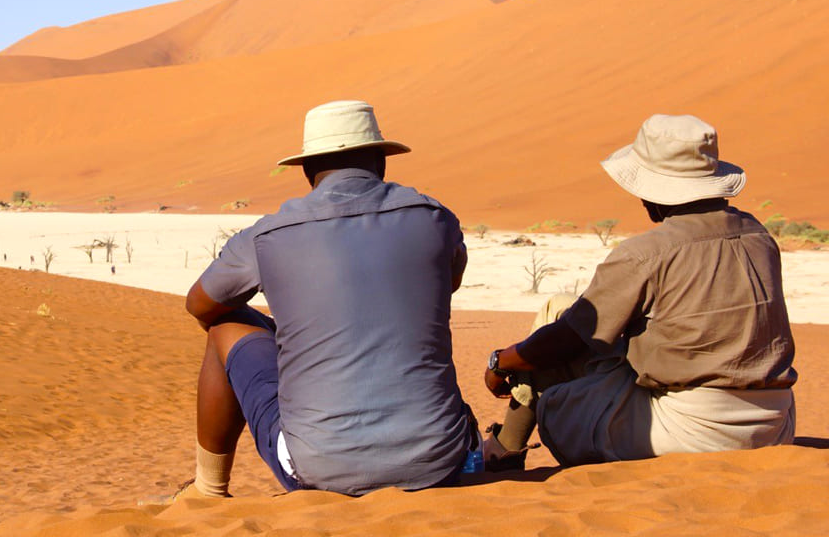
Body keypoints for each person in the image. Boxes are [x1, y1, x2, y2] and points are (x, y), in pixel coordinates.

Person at [184, 100, 474, 497]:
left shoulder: (267, 236)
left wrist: (277, 336)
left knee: (224, 325)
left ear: (307, 171)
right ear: (382, 161)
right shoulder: (437, 219)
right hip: (440, 461)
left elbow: (200, 305)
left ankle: (208, 491)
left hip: (318, 469)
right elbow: (448, 284)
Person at [483, 114, 797, 469]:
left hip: (692, 428)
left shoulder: (647, 253)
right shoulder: (758, 236)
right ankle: (502, 447)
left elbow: (568, 339)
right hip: (777, 422)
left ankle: (503, 455)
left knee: (552, 381)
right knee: (559, 308)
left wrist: (500, 361)